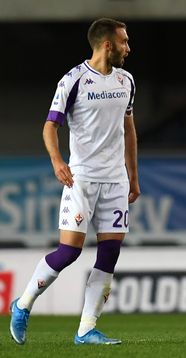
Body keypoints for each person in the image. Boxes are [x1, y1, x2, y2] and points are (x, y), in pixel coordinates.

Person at [9, 18, 139, 345]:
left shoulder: (127, 81)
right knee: (69, 251)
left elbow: (128, 131)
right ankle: (23, 305)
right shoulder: (74, 80)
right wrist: (57, 161)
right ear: (107, 44)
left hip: (116, 181)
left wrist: (133, 176)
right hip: (81, 179)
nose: (128, 48)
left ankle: (86, 329)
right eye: (124, 42)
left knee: (109, 253)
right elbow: (50, 126)